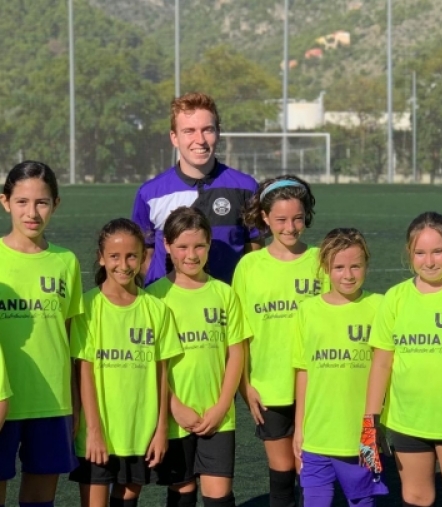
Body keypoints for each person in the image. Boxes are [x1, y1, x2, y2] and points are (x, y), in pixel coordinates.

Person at [364, 211, 442, 507]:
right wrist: (370, 422)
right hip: (408, 422)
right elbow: (382, 363)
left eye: (438, 251)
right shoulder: (395, 298)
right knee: (416, 496)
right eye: (420, 253)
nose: (429, 261)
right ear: (409, 253)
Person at [69, 219, 183, 507]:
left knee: (128, 499)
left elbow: (161, 374)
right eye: (114, 256)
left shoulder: (156, 310)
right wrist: (93, 431)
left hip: (140, 432)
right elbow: (84, 371)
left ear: (144, 257)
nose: (123, 264)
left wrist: (159, 431)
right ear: (101, 258)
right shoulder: (88, 307)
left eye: (131, 255)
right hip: (98, 433)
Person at [233, 175, 323, 507]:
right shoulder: (249, 266)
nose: (290, 226)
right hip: (268, 387)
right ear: (265, 218)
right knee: (282, 470)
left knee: (308, 468)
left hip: (314, 384)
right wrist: (246, 387)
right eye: (281, 219)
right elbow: (239, 335)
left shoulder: (320, 261)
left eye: (297, 218)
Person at [0, 160, 84, 507]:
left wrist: (75, 404)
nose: (32, 212)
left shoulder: (66, 262)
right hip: (3, 403)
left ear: (56, 204)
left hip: (51, 401)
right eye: (22, 201)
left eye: (41, 202)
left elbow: (68, 337)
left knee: (39, 499)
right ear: (5, 201)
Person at [148, 207, 244, 507]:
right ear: (167, 246)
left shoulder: (224, 294)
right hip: (175, 418)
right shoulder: (154, 298)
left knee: (219, 497)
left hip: (218, 417)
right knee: (181, 493)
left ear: (209, 244)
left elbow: (236, 353)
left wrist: (221, 406)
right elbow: (149, 363)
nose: (191, 255)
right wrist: (174, 406)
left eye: (199, 246)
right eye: (182, 247)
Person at [292, 228, 388, 507]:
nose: (348, 275)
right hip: (316, 436)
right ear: (325, 267)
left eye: (356, 266)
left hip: (362, 436)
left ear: (366, 265)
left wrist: (373, 430)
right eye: (339, 267)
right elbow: (303, 371)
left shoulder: (379, 306)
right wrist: (300, 428)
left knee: (363, 502)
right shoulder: (308, 311)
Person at [132, 92, 263, 287]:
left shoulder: (246, 187)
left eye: (207, 130)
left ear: (218, 132)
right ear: (174, 137)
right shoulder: (150, 193)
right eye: (189, 131)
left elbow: (254, 249)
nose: (199, 139)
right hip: (168, 308)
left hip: (224, 307)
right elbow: (144, 253)